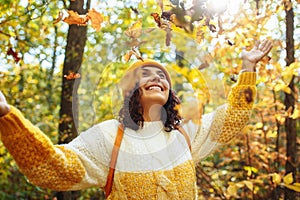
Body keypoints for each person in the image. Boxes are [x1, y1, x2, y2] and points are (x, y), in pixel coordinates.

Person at [0, 39, 272, 199]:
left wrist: (248, 68)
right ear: (131, 90)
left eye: (162, 76)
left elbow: (235, 115)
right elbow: (54, 169)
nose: (157, 78)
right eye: (146, 74)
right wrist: (7, 116)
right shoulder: (109, 137)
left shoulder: (185, 133)